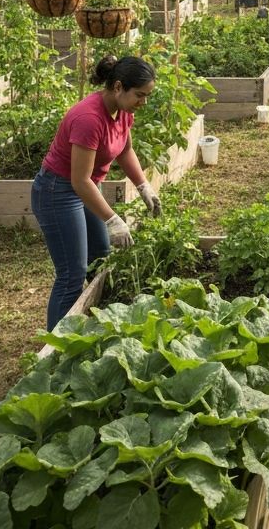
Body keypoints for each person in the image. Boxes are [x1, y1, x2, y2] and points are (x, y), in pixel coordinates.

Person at [31, 55, 159, 331]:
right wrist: (113, 219)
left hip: (86, 188)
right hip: (59, 191)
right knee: (71, 274)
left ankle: (95, 328)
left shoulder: (123, 111)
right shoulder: (89, 118)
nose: (143, 102)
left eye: (147, 96)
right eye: (139, 95)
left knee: (100, 258)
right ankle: (57, 350)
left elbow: (124, 149)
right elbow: (79, 180)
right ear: (117, 87)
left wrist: (142, 185)